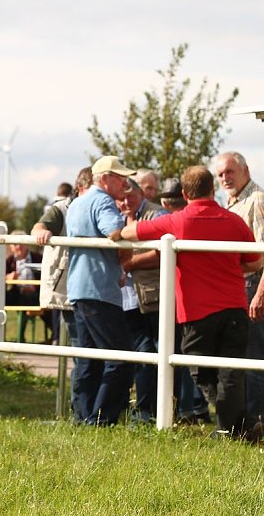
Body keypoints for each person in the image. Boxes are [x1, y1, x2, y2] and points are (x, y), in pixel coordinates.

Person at [120, 166, 262, 438]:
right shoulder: (234, 221)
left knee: (199, 370)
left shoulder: (178, 221)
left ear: (184, 194)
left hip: (197, 313)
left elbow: (133, 233)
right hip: (234, 307)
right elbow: (254, 261)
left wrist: (119, 229)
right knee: (231, 373)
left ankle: (235, 427)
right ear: (213, 189)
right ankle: (236, 427)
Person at [214, 150, 264, 442]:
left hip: (253, 285)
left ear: (245, 170)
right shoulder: (232, 203)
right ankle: (246, 425)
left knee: (254, 357)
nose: (225, 178)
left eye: (230, 171)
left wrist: (262, 292)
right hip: (236, 287)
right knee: (239, 357)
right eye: (220, 175)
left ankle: (261, 427)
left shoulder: (258, 200)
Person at [66, 155, 135, 426]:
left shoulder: (76, 203)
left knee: (87, 359)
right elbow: (115, 233)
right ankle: (102, 418)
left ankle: (84, 416)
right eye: (120, 178)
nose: (125, 184)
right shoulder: (104, 201)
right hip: (100, 288)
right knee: (121, 357)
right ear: (105, 179)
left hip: (78, 287)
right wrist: (126, 258)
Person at [32, 167, 93, 420]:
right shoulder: (63, 209)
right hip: (69, 289)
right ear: (82, 188)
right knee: (82, 353)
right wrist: (41, 232)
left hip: (93, 289)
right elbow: (40, 225)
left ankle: (88, 410)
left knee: (89, 352)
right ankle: (81, 411)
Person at [156, 177, 210, 424]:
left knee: (187, 354)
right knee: (188, 355)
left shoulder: (175, 221)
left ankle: (189, 407)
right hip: (193, 299)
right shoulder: (192, 219)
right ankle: (193, 407)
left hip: (186, 300)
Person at [118, 176, 161, 422]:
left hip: (150, 296)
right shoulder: (117, 215)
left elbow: (162, 252)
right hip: (124, 297)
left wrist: (129, 263)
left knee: (148, 350)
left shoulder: (156, 215)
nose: (125, 202)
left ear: (141, 194)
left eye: (130, 197)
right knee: (137, 351)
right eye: (121, 199)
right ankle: (141, 408)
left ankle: (148, 411)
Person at [5, 234, 49, 342]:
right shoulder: (9, 261)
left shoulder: (38, 258)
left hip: (36, 294)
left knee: (46, 303)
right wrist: (8, 277)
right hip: (17, 294)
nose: (18, 247)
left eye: (21, 243)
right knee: (1, 299)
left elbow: (48, 277)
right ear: (10, 247)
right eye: (15, 244)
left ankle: (56, 337)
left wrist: (36, 286)